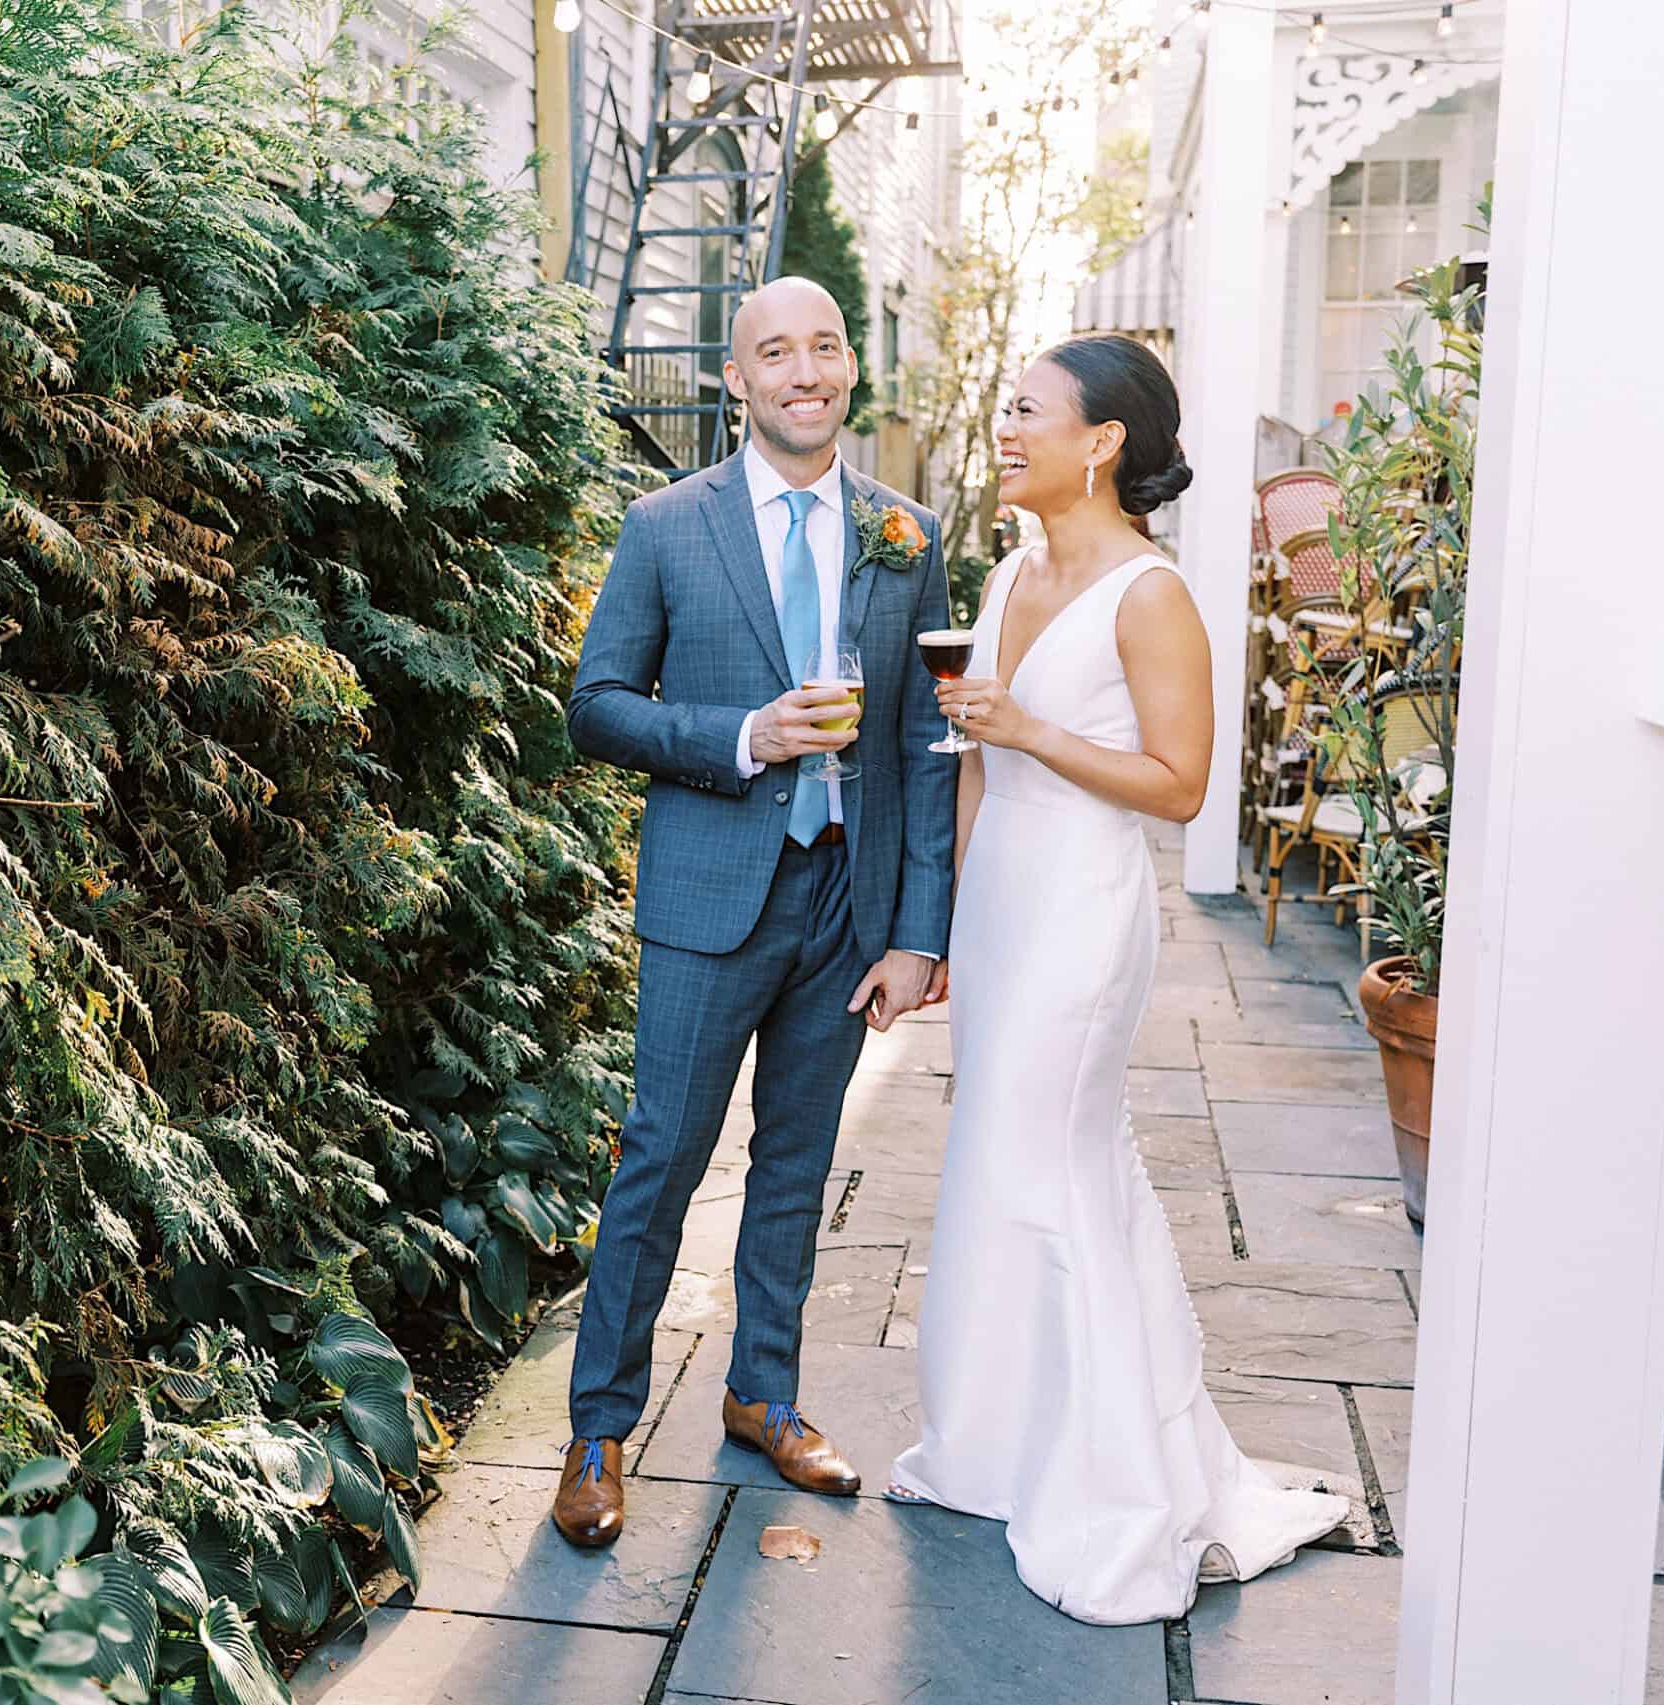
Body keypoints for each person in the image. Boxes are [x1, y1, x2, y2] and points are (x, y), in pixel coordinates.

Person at [887, 334, 1351, 1622]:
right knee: (992, 1163)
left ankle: (1111, 1487)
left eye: (1027, 411)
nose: (1005, 427)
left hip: (1085, 918)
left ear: (1100, 442)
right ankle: (990, 1449)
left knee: (1050, 1165)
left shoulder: (1151, 596)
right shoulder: (1005, 571)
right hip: (1001, 913)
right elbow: (970, 761)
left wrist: (1032, 727)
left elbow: (1182, 784)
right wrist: (948, 919)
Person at [553, 276, 956, 1548]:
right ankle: (600, 1428)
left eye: (823, 347)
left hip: (846, 897)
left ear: (847, 370)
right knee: (660, 1158)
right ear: (736, 379)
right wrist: (741, 733)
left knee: (794, 1164)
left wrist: (919, 929)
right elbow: (596, 703)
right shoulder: (668, 524)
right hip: (708, 894)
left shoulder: (907, 533)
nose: (802, 370)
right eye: (772, 352)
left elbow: (924, 741)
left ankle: (763, 1395)